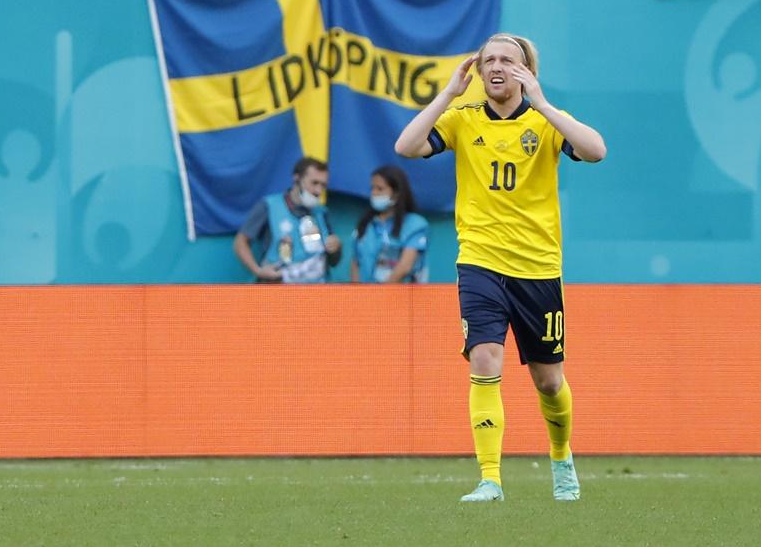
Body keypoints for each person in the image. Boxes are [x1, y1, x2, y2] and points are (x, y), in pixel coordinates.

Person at [394, 33, 606, 502]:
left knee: (549, 381)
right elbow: (406, 147)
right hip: (480, 262)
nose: (495, 66)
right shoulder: (463, 120)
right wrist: (449, 92)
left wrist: (544, 102)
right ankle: (490, 478)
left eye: (507, 60)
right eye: (488, 59)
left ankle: (561, 458)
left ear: (525, 69)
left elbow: (595, 151)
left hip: (537, 266)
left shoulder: (546, 120)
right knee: (485, 359)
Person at [233, 156, 344, 283]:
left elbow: (334, 261)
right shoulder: (270, 205)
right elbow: (240, 242)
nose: (318, 190)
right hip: (279, 291)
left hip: (316, 294)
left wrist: (336, 249)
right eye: (314, 183)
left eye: (323, 185)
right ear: (297, 178)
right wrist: (258, 270)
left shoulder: (321, 212)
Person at [350, 165, 429, 283]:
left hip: (402, 298)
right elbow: (356, 262)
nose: (374, 193)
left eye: (380, 189)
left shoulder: (416, 225)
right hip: (366, 297)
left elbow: (405, 267)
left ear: (396, 194)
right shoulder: (366, 223)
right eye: (372, 188)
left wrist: (381, 297)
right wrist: (358, 296)